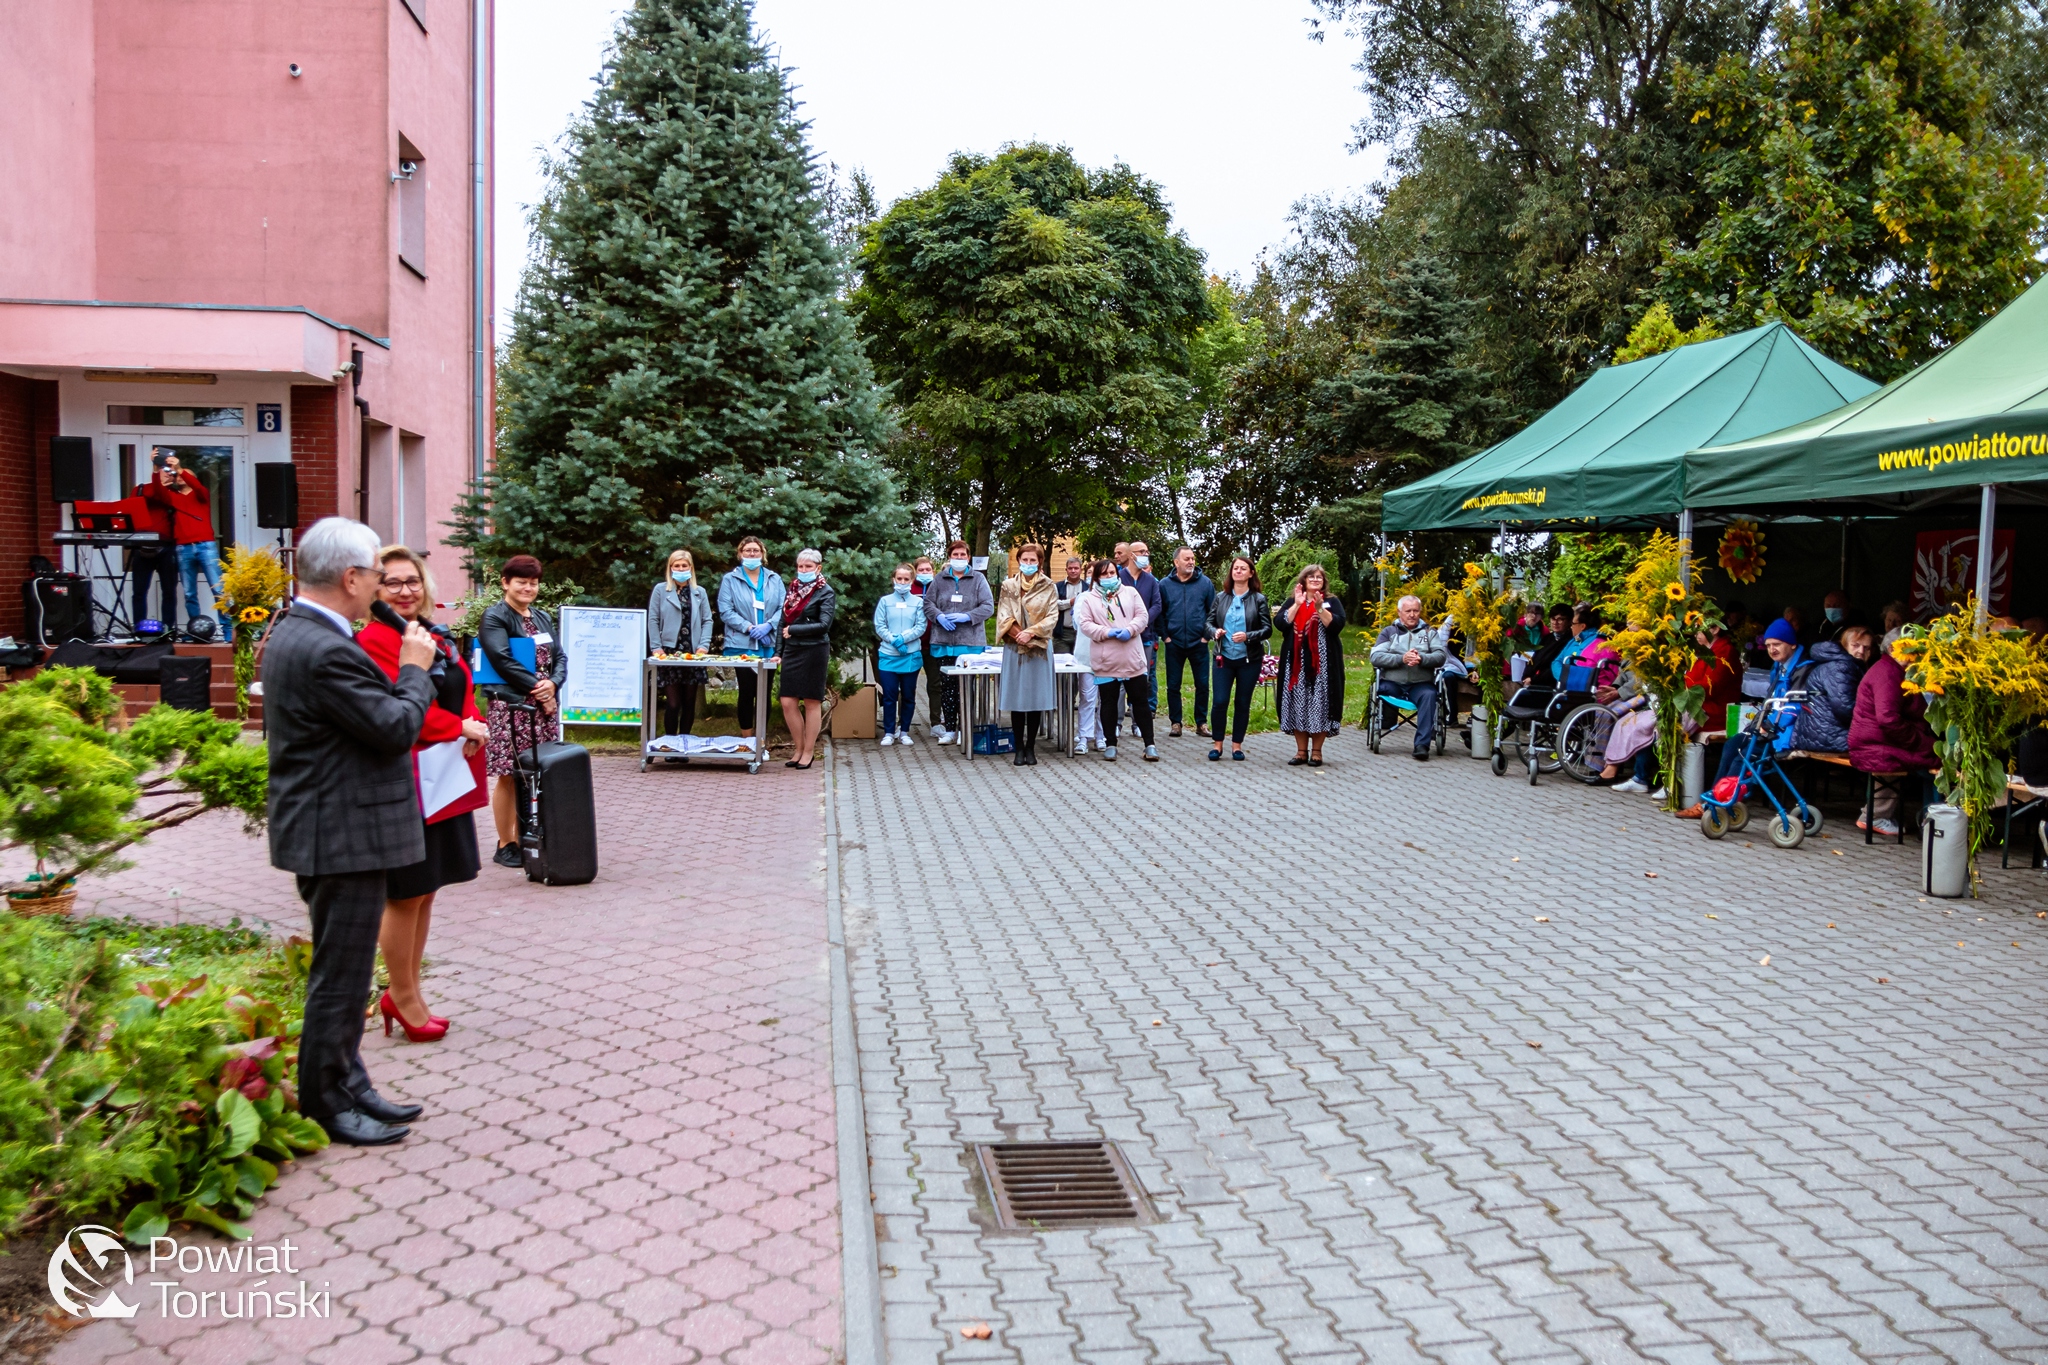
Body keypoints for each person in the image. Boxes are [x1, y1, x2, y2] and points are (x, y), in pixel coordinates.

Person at [262, 517, 436, 1146]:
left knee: (349, 971)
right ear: (350, 577)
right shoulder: (325, 647)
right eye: (374, 575)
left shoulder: (306, 633)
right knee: (339, 977)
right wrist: (415, 669)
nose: (381, 589)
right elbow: (393, 726)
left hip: (338, 829)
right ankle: (327, 1104)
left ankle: (350, 1081)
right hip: (339, 834)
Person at [357, 545, 487, 1043]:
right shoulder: (374, 641)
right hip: (405, 779)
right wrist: (460, 726)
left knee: (427, 889)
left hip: (444, 777)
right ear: (374, 589)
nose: (405, 590)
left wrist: (470, 722)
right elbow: (403, 705)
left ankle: (409, 991)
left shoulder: (434, 634)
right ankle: (401, 996)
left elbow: (461, 684)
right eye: (393, 583)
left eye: (412, 581)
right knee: (405, 893)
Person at [479, 555, 568, 868]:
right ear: (505, 583)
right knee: (509, 775)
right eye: (521, 582)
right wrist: (540, 689)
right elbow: (502, 660)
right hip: (512, 706)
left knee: (536, 774)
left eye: (533, 582)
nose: (528, 587)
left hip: (542, 708)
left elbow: (560, 658)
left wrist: (553, 685)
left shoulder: (542, 617)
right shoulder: (495, 617)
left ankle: (530, 834)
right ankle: (507, 843)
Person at [1681, 616, 1807, 817]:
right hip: (1774, 727)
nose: (1772, 650)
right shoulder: (1780, 666)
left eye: (1777, 644)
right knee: (1733, 744)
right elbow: (1771, 701)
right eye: (1768, 645)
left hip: (1792, 731)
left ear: (1792, 644)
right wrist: (1758, 724)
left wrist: (1768, 726)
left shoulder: (1803, 669)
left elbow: (1796, 708)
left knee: (1744, 755)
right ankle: (1714, 798)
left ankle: (1718, 804)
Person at [1849, 641, 1937, 837]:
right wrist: (1920, 743)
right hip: (1876, 744)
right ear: (1893, 649)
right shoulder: (1888, 673)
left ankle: (1878, 815)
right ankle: (1933, 820)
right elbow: (1888, 720)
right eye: (1913, 652)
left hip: (1873, 742)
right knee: (1938, 759)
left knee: (1932, 757)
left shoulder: (1888, 669)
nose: (1918, 657)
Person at [1075, 558, 1155, 761]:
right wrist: (1107, 632)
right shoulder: (1089, 599)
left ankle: (1149, 744)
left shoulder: (1130, 593)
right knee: (1108, 703)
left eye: (1112, 573)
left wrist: (1130, 630)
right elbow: (1085, 624)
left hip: (1132, 657)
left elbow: (1142, 616)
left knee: (1140, 702)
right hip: (1105, 660)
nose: (1109, 577)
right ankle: (1110, 743)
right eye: (1104, 574)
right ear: (1096, 578)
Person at [140, 449, 225, 638]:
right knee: (189, 594)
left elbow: (198, 485)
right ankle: (196, 631)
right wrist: (156, 468)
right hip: (183, 547)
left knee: (219, 590)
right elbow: (157, 491)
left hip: (205, 545)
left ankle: (228, 630)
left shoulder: (200, 495)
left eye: (182, 474)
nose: (178, 476)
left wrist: (179, 468)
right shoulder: (174, 497)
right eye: (176, 474)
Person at [1276, 564, 1347, 766]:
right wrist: (1298, 605)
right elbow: (1281, 623)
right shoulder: (1293, 600)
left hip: (1323, 664)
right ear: (1304, 581)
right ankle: (1300, 752)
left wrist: (1318, 608)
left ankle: (1317, 752)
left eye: (1319, 577)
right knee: (1298, 703)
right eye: (1311, 577)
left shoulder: (1331, 602)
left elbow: (1336, 626)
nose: (1316, 580)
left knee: (1320, 704)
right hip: (1296, 664)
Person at [923, 541, 994, 744]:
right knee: (947, 688)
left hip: (969, 643)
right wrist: (939, 617)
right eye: (956, 554)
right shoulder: (939, 579)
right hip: (943, 642)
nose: (960, 558)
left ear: (968, 557)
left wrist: (967, 616)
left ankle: (966, 728)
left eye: (963, 554)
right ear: (950, 556)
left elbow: (988, 606)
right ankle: (950, 729)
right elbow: (928, 603)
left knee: (967, 687)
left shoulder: (978, 579)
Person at [995, 543, 1059, 764]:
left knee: (1035, 698)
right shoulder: (1008, 585)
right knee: (1017, 698)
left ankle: (1031, 747)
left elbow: (1052, 616)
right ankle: (1018, 748)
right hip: (1014, 647)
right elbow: (1002, 614)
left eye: (1033, 560)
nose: (1029, 564)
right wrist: (1017, 634)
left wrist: (1031, 633)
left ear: (1039, 562)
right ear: (1019, 560)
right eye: (1025, 559)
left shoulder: (1049, 585)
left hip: (1039, 648)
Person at [717, 537, 784, 743]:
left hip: (767, 643)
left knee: (764, 693)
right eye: (747, 551)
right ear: (740, 554)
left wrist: (770, 625)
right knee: (747, 691)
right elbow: (725, 610)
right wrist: (748, 627)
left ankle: (761, 741)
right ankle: (747, 740)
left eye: (755, 551)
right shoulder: (731, 579)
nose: (752, 554)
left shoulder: (774, 579)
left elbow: (784, 608)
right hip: (741, 644)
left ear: (762, 554)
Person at [1206, 555, 1270, 761]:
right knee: (1220, 701)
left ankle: (1237, 746)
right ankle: (1217, 745)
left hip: (1249, 660)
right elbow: (1208, 623)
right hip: (1223, 658)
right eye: (1236, 568)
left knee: (1242, 702)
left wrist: (1248, 636)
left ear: (1251, 573)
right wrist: (1215, 632)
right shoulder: (1221, 597)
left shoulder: (1258, 599)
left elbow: (1267, 629)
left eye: (1243, 569)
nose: (1239, 571)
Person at [775, 549, 834, 769]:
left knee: (811, 701)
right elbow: (782, 624)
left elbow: (823, 625)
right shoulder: (792, 590)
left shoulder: (825, 592)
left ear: (818, 568)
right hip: (792, 650)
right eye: (800, 566)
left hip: (814, 650)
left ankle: (809, 752)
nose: (803, 570)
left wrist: (795, 630)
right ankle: (798, 748)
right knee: (787, 701)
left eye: (808, 567)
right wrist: (778, 652)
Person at [1370, 594, 1445, 761]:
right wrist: (1401, 659)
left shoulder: (1429, 633)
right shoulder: (1389, 632)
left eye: (1416, 611)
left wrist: (1422, 659)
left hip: (1420, 684)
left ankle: (1422, 745)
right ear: (1399, 612)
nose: (1412, 614)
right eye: (1408, 611)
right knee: (1382, 690)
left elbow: (1441, 656)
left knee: (1430, 695)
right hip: (1393, 683)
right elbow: (1375, 657)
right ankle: (1379, 730)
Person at [646, 548, 712, 737]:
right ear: (671, 568)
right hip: (669, 652)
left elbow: (707, 620)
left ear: (690, 568)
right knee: (673, 703)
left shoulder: (699, 592)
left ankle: (684, 743)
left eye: (684, 565)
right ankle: (670, 742)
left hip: (693, 652)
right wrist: (656, 647)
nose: (680, 568)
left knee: (689, 702)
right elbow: (653, 619)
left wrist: (704, 645)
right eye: (677, 565)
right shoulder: (661, 590)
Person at [1156, 547, 1215, 738]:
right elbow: (1160, 612)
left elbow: (1213, 612)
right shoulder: (1165, 585)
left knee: (1203, 684)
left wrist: (1206, 636)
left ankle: (1201, 722)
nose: (1191, 562)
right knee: (1173, 684)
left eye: (1192, 558)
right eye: (1186, 559)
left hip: (1199, 643)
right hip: (1174, 643)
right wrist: (1165, 636)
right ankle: (1175, 723)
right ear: (1176, 562)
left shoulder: (1205, 584)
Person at [1791, 625, 1874, 754]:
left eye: (1866, 647)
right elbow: (1845, 708)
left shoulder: (1839, 663)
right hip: (1829, 737)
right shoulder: (1841, 667)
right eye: (1855, 645)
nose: (1861, 651)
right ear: (1844, 645)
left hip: (1817, 734)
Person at [874, 563, 924, 746]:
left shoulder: (918, 602)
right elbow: (880, 625)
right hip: (888, 655)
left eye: (906, 579)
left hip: (910, 655)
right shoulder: (885, 601)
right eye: (899, 579)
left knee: (909, 695)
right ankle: (888, 732)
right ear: (893, 579)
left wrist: (903, 638)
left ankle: (904, 731)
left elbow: (920, 626)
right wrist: (893, 640)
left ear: (911, 581)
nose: (902, 582)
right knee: (889, 695)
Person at [126, 457, 178, 631]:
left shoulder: (173, 492)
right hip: (142, 547)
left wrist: (157, 475)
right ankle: (138, 627)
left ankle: (168, 628)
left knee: (169, 591)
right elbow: (132, 508)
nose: (169, 473)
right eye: (166, 469)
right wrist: (156, 472)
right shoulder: (140, 489)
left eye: (172, 470)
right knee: (139, 591)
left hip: (166, 547)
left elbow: (160, 496)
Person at [1118, 541, 1164, 727]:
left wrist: (1141, 623)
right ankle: (1117, 723)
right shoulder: (1118, 578)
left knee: (1141, 683)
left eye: (1147, 551)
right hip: (1122, 637)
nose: (1146, 554)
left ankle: (1139, 724)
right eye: (1141, 551)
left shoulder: (1151, 580)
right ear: (1131, 555)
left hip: (1145, 638)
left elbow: (1157, 605)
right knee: (1120, 682)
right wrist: (1127, 626)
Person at [1052, 554, 1083, 657]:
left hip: (1081, 633)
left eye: (1076, 568)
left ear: (1081, 570)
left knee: (1079, 666)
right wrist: (1070, 602)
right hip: (1062, 633)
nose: (1073, 571)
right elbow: (1053, 605)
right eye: (1070, 568)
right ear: (1066, 570)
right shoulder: (1057, 586)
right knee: (1061, 666)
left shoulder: (1087, 587)